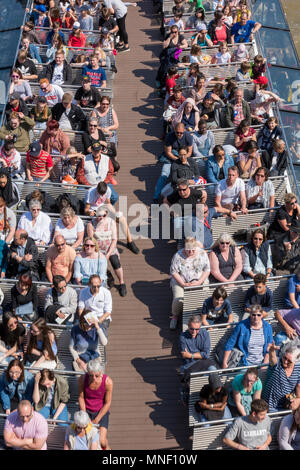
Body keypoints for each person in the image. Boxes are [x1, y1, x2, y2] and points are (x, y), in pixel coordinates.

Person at [169, 237, 210, 330]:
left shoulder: (202, 253)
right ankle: (175, 315)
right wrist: (183, 284)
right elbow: (174, 272)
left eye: (192, 250)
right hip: (182, 281)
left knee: (206, 295)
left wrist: (200, 281)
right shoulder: (178, 256)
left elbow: (207, 269)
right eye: (188, 250)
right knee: (178, 299)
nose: (190, 252)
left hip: (199, 279)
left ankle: (203, 315)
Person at [87, 205, 127, 297]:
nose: (101, 218)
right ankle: (106, 276)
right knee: (98, 264)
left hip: (110, 247)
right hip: (97, 249)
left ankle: (122, 282)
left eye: (103, 216)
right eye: (99, 216)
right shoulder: (91, 225)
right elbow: (91, 241)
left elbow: (114, 239)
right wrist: (98, 253)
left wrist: (108, 253)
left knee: (115, 262)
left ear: (106, 214)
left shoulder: (111, 222)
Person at [153, 123, 193, 203]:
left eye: (181, 132)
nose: (179, 134)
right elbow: (168, 152)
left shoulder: (188, 136)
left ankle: (189, 195)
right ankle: (156, 196)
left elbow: (189, 152)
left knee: (190, 174)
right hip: (171, 159)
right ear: (174, 130)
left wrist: (183, 159)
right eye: (177, 132)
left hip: (184, 158)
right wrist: (177, 159)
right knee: (164, 174)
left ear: (184, 131)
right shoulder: (169, 136)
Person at [78, 359, 113, 450]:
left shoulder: (108, 382)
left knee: (102, 442)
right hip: (87, 410)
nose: (94, 378)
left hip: (101, 411)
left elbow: (107, 403)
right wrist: (85, 415)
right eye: (91, 375)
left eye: (96, 376)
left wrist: (97, 418)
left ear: (100, 372)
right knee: (86, 439)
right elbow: (81, 398)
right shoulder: (82, 379)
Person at [262, 340, 300, 412]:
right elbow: (273, 359)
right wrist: (272, 350)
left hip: (286, 405)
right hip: (269, 405)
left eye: (289, 361)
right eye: (284, 358)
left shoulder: (298, 369)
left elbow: (299, 389)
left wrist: (297, 400)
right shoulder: (278, 364)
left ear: (295, 361)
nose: (285, 362)